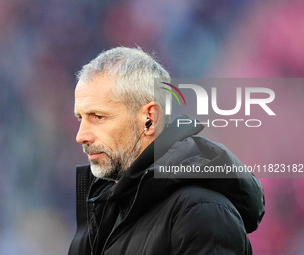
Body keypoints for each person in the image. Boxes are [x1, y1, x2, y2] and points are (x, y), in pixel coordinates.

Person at [68, 47, 265, 255]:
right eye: (80, 118)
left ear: (149, 119)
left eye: (98, 117)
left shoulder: (201, 211)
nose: (81, 135)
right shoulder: (103, 211)